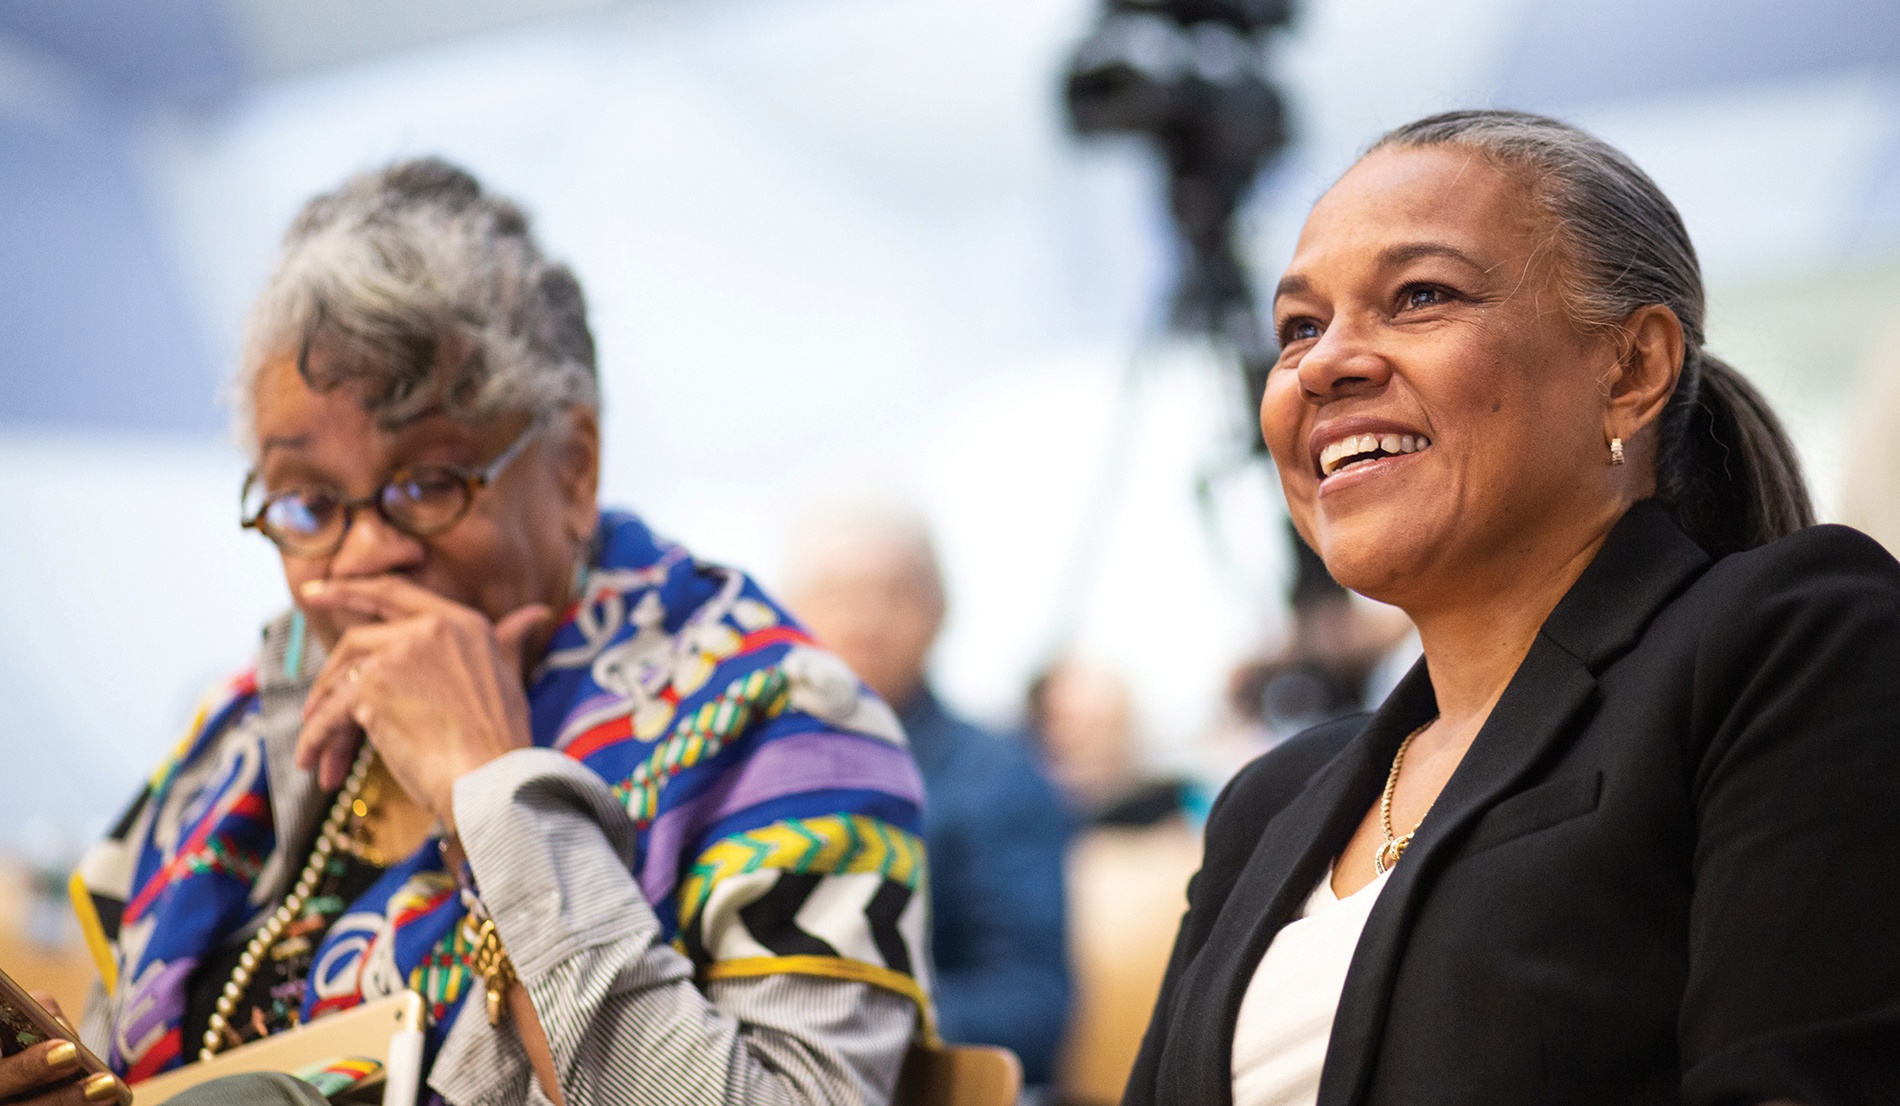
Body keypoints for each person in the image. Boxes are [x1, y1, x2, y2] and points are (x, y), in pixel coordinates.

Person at [11, 158, 935, 1106]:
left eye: (427, 484)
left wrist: (492, 791)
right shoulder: (242, 734)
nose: (363, 553)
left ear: (574, 469)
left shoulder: (787, 724)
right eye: (310, 502)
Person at [1123, 109, 1900, 1106]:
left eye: (1419, 296)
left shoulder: (1786, 640)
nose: (1322, 364)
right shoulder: (1271, 801)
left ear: (1632, 370)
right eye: (1299, 328)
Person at [785, 509, 1071, 1088]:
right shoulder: (748, 771)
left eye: (895, 595)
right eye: (837, 596)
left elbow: (1031, 1003)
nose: (864, 623)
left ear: (938, 615)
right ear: (791, 617)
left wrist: (848, 1017)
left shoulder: (998, 777)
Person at [1024, 658, 1188, 829]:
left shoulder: (1170, 799)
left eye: (1095, 725)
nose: (1066, 734)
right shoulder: (1032, 798)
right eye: (1057, 719)